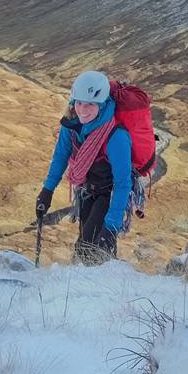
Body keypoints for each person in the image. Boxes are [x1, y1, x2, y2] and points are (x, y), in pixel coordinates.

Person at [36, 70, 133, 262]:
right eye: (79, 102)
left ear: (102, 104)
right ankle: (103, 281)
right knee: (87, 247)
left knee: (88, 247)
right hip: (87, 191)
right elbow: (60, 157)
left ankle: (106, 285)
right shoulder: (71, 125)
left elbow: (123, 183)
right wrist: (47, 191)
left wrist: (112, 227)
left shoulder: (116, 136)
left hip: (109, 194)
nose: (82, 109)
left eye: (90, 104)